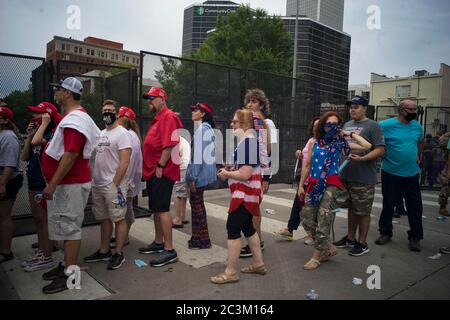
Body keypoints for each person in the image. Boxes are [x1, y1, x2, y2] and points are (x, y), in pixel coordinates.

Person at [40, 77, 100, 294]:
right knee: (67, 229)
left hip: (70, 184)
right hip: (69, 184)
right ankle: (66, 266)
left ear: (67, 93)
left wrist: (53, 184)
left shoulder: (75, 120)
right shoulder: (73, 117)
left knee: (71, 229)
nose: (56, 93)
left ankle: (71, 278)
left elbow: (72, 153)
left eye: (58, 90)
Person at [299, 111, 371, 270]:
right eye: (328, 123)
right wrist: (300, 186)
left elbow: (367, 146)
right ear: (323, 125)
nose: (331, 127)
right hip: (313, 184)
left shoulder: (339, 142)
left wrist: (346, 133)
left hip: (330, 184)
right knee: (306, 217)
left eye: (335, 124)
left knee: (324, 219)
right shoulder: (314, 142)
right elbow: (308, 164)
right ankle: (328, 247)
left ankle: (317, 256)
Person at [212, 109, 267, 284]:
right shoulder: (248, 142)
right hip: (248, 193)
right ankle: (259, 264)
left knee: (233, 228)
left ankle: (230, 272)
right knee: (248, 228)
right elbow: (245, 170)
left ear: (245, 124)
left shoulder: (248, 143)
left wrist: (227, 174)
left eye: (235, 122)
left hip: (245, 194)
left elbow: (245, 175)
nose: (232, 124)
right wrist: (230, 170)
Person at [333, 96, 385, 257]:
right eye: (351, 107)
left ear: (365, 108)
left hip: (363, 177)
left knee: (362, 211)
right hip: (346, 175)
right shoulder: (347, 125)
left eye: (356, 107)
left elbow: (380, 150)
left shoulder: (373, 126)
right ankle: (350, 238)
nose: (352, 110)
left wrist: (362, 158)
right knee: (351, 209)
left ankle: (362, 243)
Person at [84, 100, 131, 270]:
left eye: (110, 110)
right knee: (103, 219)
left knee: (118, 218)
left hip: (114, 186)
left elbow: (124, 162)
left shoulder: (122, 133)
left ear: (117, 113)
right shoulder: (101, 133)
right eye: (105, 110)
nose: (107, 113)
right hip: (97, 184)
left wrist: (115, 184)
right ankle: (104, 251)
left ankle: (118, 253)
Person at [138, 87, 183, 267]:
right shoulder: (158, 118)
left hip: (162, 171)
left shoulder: (168, 116)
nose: (149, 101)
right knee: (156, 208)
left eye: (152, 98)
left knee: (162, 208)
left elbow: (170, 144)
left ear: (162, 99)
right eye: (148, 98)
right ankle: (158, 242)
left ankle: (169, 250)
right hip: (154, 170)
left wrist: (160, 165)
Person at [375, 99, 424, 252]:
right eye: (411, 109)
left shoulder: (417, 126)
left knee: (415, 206)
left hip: (412, 173)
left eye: (416, 109)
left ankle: (415, 237)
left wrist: (418, 155)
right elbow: (375, 141)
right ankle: (385, 232)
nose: (414, 112)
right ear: (401, 109)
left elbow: (420, 142)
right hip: (391, 172)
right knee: (388, 204)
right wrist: (381, 153)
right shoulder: (385, 125)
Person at [20, 102, 62, 271]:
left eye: (38, 114)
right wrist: (29, 137)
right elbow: (24, 157)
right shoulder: (36, 133)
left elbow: (41, 143)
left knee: (44, 220)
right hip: (33, 180)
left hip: (43, 183)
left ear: (47, 117)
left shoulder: (52, 134)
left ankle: (46, 256)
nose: (34, 117)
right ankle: (43, 249)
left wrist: (40, 128)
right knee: (38, 220)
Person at [240, 88, 275, 258]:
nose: (249, 104)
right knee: (252, 208)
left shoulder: (265, 123)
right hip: (248, 170)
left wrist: (266, 177)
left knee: (253, 208)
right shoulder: (250, 121)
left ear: (261, 103)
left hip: (259, 172)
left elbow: (268, 151)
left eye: (253, 101)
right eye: (248, 101)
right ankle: (256, 241)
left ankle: (256, 242)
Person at [275, 117, 320, 243]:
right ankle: (290, 230)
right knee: (297, 206)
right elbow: (306, 158)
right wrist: (300, 153)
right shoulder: (311, 140)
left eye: (319, 126)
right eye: (314, 126)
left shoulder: (322, 143)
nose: (316, 128)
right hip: (304, 180)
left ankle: (312, 235)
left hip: (314, 181)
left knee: (311, 209)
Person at [108, 106, 143, 248]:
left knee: (124, 208)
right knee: (126, 207)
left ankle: (124, 237)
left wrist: (126, 181)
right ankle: (122, 236)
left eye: (118, 116)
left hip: (126, 179)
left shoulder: (128, 136)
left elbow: (130, 161)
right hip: (128, 178)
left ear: (122, 118)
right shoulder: (131, 134)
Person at [186, 103, 217, 249]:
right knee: (198, 206)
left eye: (196, 110)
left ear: (203, 113)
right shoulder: (207, 130)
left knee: (197, 207)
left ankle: (202, 240)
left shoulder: (202, 130)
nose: (193, 112)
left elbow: (198, 157)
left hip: (199, 176)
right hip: (203, 174)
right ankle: (199, 238)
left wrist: (192, 177)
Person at [0, 105, 23, 264]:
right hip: (4, 179)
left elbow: (9, 164)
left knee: (4, 216)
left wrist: (2, 184)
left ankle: (6, 251)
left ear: (5, 121)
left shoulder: (8, 137)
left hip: (7, 179)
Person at [172, 136, 191, 228]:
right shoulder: (184, 140)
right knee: (183, 194)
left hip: (181, 168)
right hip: (187, 167)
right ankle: (183, 216)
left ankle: (177, 219)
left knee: (178, 194)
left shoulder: (176, 140)